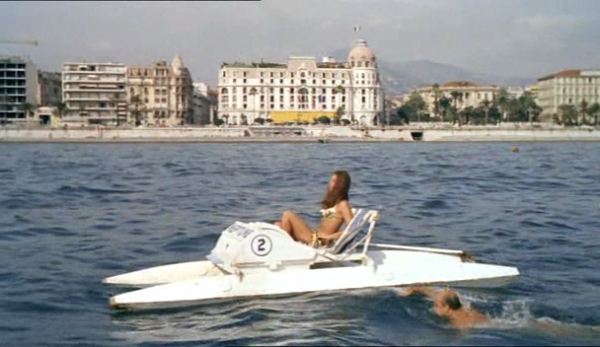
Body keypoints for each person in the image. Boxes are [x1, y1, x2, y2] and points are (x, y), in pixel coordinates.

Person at [274, 170, 354, 247]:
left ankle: (286, 248)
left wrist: (330, 237)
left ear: (339, 184)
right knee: (278, 225)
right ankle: (286, 248)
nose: (329, 183)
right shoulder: (336, 203)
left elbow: (352, 229)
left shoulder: (343, 204)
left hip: (318, 241)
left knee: (288, 214)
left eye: (333, 181)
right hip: (315, 235)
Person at [399, 286, 487, 330]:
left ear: (447, 307)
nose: (433, 308)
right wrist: (417, 288)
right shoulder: (465, 307)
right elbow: (436, 295)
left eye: (436, 305)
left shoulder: (459, 325)